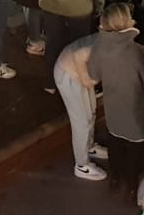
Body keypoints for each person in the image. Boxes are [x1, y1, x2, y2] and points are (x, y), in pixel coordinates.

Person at [89, 3, 144, 192]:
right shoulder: (137, 52)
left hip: (113, 107)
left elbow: (93, 75)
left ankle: (115, 178)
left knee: (115, 143)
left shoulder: (98, 47)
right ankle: (132, 187)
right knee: (135, 149)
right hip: (136, 110)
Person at [53, 27, 109, 181]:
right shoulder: (105, 45)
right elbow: (79, 55)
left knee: (91, 111)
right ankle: (81, 165)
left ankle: (89, 147)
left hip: (82, 71)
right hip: (69, 73)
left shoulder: (112, 40)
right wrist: (86, 79)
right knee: (81, 121)